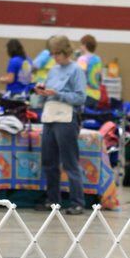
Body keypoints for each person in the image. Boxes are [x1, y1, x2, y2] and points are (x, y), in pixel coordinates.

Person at [34, 35, 86, 215]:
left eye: (58, 54)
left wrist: (58, 93)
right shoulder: (53, 70)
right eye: (53, 54)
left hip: (66, 118)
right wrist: (41, 91)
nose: (55, 57)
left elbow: (80, 97)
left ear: (66, 52)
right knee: (49, 162)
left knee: (70, 162)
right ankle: (53, 200)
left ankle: (78, 202)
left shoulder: (76, 70)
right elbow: (47, 93)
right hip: (49, 117)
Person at [76, 34, 102, 108]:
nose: (80, 47)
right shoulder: (98, 59)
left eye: (81, 45)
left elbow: (79, 76)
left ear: (85, 45)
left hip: (86, 94)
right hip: (96, 94)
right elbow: (99, 77)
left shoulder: (83, 59)